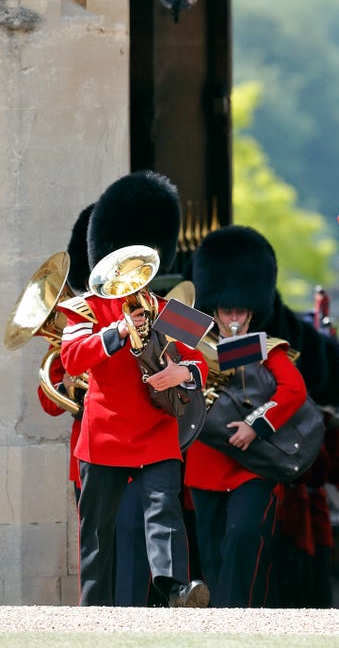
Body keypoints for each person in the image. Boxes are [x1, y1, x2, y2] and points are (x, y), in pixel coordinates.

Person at [59, 171, 210, 608]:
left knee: (165, 514)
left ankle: (174, 589)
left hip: (156, 431)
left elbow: (204, 358)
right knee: (98, 535)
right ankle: (94, 610)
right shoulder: (84, 309)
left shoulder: (166, 309)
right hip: (104, 435)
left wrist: (183, 375)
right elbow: (73, 358)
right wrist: (118, 333)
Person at [186, 225, 309, 607]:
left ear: (253, 310)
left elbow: (294, 391)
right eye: (227, 310)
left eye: (240, 310)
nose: (234, 317)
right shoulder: (192, 341)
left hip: (251, 464)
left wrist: (256, 424)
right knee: (212, 552)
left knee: (242, 537)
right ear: (214, 309)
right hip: (207, 464)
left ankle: (235, 617)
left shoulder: (269, 349)